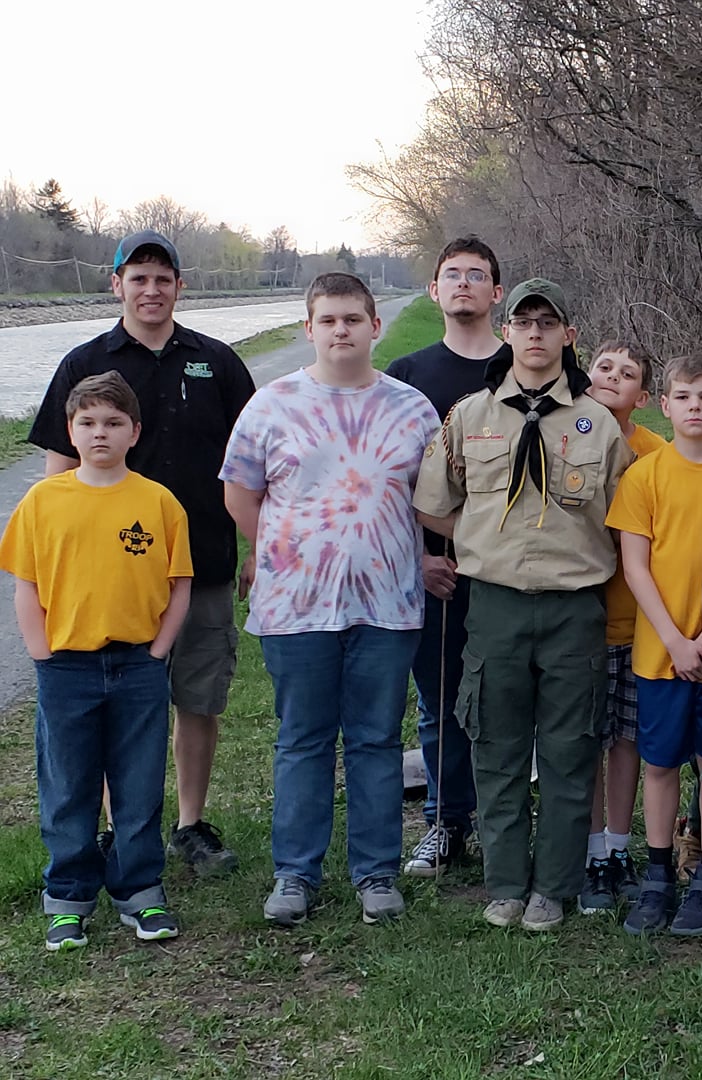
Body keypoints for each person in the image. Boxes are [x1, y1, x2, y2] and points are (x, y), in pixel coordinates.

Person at [28, 229, 255, 875]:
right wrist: (55, 564)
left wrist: (254, 548)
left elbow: (254, 463)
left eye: (163, 278)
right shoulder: (85, 364)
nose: (151, 289)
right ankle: (116, 828)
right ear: (117, 284)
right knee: (118, 703)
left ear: (180, 287)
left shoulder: (216, 361)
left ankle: (189, 824)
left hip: (203, 564)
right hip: (111, 579)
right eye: (138, 277)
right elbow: (57, 474)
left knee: (198, 696)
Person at [222, 273, 439, 927]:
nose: (341, 330)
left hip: (388, 603)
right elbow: (240, 491)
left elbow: (434, 499)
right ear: (308, 327)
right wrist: (278, 554)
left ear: (375, 327)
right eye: (328, 319)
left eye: (352, 318)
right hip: (296, 608)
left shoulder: (412, 409)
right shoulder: (271, 406)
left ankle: (375, 874)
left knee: (375, 740)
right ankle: (295, 874)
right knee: (303, 740)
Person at [414, 279, 631, 932]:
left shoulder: (600, 425)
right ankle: (506, 883)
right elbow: (432, 502)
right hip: (496, 607)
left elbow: (627, 520)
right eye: (523, 321)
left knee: (569, 752)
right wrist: (480, 542)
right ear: (506, 332)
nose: (535, 333)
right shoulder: (468, 417)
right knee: (497, 750)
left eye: (549, 322)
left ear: (569, 336)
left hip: (574, 611)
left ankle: (553, 888)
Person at [2, 372, 192, 950]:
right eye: (87, 423)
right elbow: (26, 585)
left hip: (137, 665)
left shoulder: (157, 502)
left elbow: (178, 583)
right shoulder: (43, 501)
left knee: (137, 782)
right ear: (70, 430)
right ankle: (69, 895)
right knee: (68, 783)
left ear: (134, 432)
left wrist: (158, 650)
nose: (100, 433)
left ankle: (139, 892)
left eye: (112, 423)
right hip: (66, 667)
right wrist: (41, 651)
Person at [606, 352, 702, 936]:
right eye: (684, 397)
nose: (695, 407)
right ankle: (658, 872)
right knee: (660, 763)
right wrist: (674, 638)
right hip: (660, 653)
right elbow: (635, 567)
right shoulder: (645, 475)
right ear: (665, 407)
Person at [386, 235, 505, 877]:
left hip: (515, 571)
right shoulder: (406, 377)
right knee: (441, 696)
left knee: (508, 699)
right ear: (434, 291)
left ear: (497, 292)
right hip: (438, 570)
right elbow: (394, 478)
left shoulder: (526, 366)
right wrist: (422, 555)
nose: (464, 284)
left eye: (476, 275)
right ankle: (444, 818)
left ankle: (502, 820)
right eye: (451, 275)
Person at [580, 338, 668, 912]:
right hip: (580, 618)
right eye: (604, 367)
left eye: (627, 373)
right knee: (587, 739)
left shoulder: (655, 453)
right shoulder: (568, 433)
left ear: (642, 395)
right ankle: (587, 853)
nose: (614, 377)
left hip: (638, 623)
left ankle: (618, 847)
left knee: (628, 741)